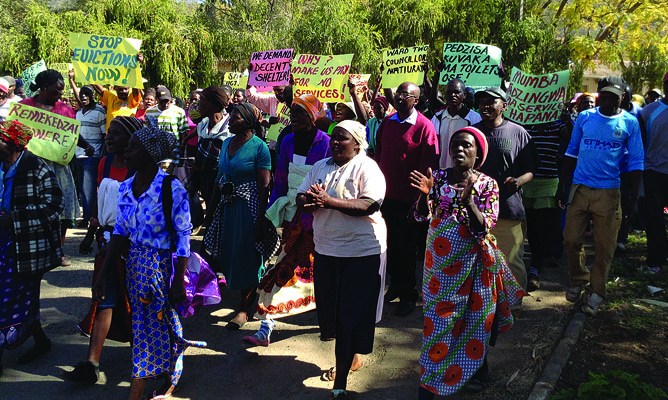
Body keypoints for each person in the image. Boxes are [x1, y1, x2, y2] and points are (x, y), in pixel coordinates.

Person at [410, 126, 525, 399]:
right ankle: (430, 382)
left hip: (474, 264)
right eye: (455, 145)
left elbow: (484, 228)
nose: (460, 150)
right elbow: (420, 218)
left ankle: (476, 369)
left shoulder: (487, 185)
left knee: (474, 319)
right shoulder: (436, 178)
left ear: (478, 154)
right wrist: (423, 197)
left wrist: (470, 202)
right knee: (439, 321)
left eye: (467, 146)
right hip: (438, 266)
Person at [92, 126, 205, 399]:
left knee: (150, 329)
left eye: (133, 147)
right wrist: (104, 275)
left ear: (151, 154)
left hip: (162, 267)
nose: (127, 153)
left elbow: (182, 236)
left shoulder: (170, 188)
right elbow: (120, 232)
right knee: (153, 326)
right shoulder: (127, 187)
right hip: (134, 266)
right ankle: (169, 372)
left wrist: (178, 279)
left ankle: (139, 389)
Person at [297, 120, 387, 400]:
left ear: (357, 143)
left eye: (342, 138)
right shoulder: (320, 166)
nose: (334, 142)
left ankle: (341, 380)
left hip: (361, 253)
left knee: (349, 315)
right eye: (333, 138)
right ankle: (349, 355)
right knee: (332, 314)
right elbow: (301, 194)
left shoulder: (367, 167)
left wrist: (328, 201)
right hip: (326, 250)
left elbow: (369, 204)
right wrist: (307, 201)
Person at [244, 94, 330, 346]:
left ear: (312, 117)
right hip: (294, 218)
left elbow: (326, 181)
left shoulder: (326, 143)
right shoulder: (288, 141)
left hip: (319, 220)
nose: (293, 116)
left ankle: (331, 324)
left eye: (300, 112)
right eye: (292, 111)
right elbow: (280, 177)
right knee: (281, 266)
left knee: (325, 274)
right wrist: (273, 213)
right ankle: (266, 325)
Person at [64, 117, 143, 384]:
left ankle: (143, 359)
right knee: (105, 299)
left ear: (132, 140)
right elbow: (100, 201)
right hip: (106, 241)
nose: (108, 138)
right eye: (108, 133)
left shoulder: (140, 170)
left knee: (134, 301)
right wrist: (89, 235)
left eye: (115, 134)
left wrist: (118, 240)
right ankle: (91, 364)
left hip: (132, 245)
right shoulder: (105, 163)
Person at [558, 76, 644, 316]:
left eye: (612, 97)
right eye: (602, 96)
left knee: (604, 247)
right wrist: (561, 184)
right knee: (571, 239)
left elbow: (636, 162)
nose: (606, 101)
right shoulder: (586, 118)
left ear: (622, 98)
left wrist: (633, 199)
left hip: (609, 192)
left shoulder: (630, 123)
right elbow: (571, 152)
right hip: (580, 187)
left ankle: (597, 291)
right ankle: (578, 280)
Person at [203, 103, 278, 329]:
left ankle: (244, 310)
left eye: (235, 118)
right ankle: (244, 297)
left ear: (247, 121)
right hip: (228, 206)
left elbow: (264, 185)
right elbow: (219, 178)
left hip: (249, 206)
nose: (230, 121)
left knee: (247, 256)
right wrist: (210, 211)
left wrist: (260, 219)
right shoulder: (226, 143)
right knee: (230, 253)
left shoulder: (259, 147)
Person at [0, 120, 64, 376]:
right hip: (2, 241)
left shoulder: (35, 166)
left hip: (24, 245)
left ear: (13, 143)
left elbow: (54, 205)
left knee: (8, 298)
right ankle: (40, 340)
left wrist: (13, 218)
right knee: (18, 297)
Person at [375, 81, 439, 316]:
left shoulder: (425, 126)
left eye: (406, 94)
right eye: (398, 93)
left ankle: (409, 294)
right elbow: (379, 152)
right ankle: (396, 287)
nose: (400, 97)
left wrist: (419, 200)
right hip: (385, 197)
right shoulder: (387, 123)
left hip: (409, 200)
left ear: (417, 100)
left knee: (406, 249)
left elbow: (428, 165)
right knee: (388, 246)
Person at [20, 69, 94, 266]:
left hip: (59, 166)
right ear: (44, 88)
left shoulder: (65, 110)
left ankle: (58, 252)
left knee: (62, 210)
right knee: (33, 207)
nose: (61, 95)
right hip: (31, 167)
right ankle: (35, 250)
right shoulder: (24, 108)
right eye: (57, 91)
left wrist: (85, 144)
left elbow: (72, 135)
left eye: (62, 91)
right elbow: (14, 134)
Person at [473, 87, 536, 295]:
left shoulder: (518, 133)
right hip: (476, 209)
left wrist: (518, 181)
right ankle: (484, 303)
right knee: (479, 259)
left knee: (511, 259)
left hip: (508, 207)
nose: (485, 105)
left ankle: (514, 302)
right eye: (482, 101)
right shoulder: (472, 133)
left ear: (504, 106)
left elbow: (531, 170)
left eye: (491, 101)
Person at [521, 120, 567, 291]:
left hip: (548, 183)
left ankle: (534, 268)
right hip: (525, 182)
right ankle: (527, 265)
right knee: (528, 227)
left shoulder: (558, 126)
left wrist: (567, 120)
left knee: (540, 228)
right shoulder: (526, 125)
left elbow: (572, 141)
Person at [639, 71, 668, 274]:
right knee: (654, 217)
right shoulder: (649, 111)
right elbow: (640, 143)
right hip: (653, 171)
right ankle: (656, 260)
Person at [186, 86, 233, 212]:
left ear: (212, 104)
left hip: (223, 181)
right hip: (205, 178)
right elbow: (198, 131)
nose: (197, 105)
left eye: (201, 100)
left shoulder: (230, 127)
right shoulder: (204, 124)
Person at [69, 75, 107, 227]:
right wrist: (71, 80)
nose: (83, 96)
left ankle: (88, 219)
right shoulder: (78, 113)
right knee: (81, 188)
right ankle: (86, 215)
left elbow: (104, 136)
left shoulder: (99, 112)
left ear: (92, 96)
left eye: (87, 94)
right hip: (77, 155)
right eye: (81, 94)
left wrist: (101, 154)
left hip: (92, 155)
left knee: (88, 188)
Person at [429, 77, 482, 169]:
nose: (452, 95)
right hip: (441, 172)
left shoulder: (475, 119)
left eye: (457, 92)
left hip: (465, 174)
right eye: (449, 92)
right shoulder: (437, 118)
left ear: (464, 95)